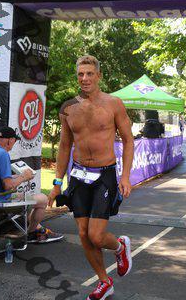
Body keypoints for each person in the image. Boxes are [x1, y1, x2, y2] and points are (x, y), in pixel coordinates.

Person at [48, 55, 134, 300]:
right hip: (77, 176)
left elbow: (129, 141)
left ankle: (120, 246)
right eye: (80, 74)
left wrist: (125, 177)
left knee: (96, 235)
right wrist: (57, 183)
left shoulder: (113, 104)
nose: (84, 78)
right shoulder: (68, 108)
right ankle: (104, 282)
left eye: (89, 74)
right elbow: (65, 146)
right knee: (84, 235)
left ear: (98, 76)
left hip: (104, 175)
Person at [0, 126, 63, 243]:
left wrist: (18, 177)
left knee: (26, 197)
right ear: (9, 140)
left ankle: (37, 228)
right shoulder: (2, 154)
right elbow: (8, 186)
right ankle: (31, 233)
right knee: (43, 199)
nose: (14, 144)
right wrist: (23, 177)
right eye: (15, 141)